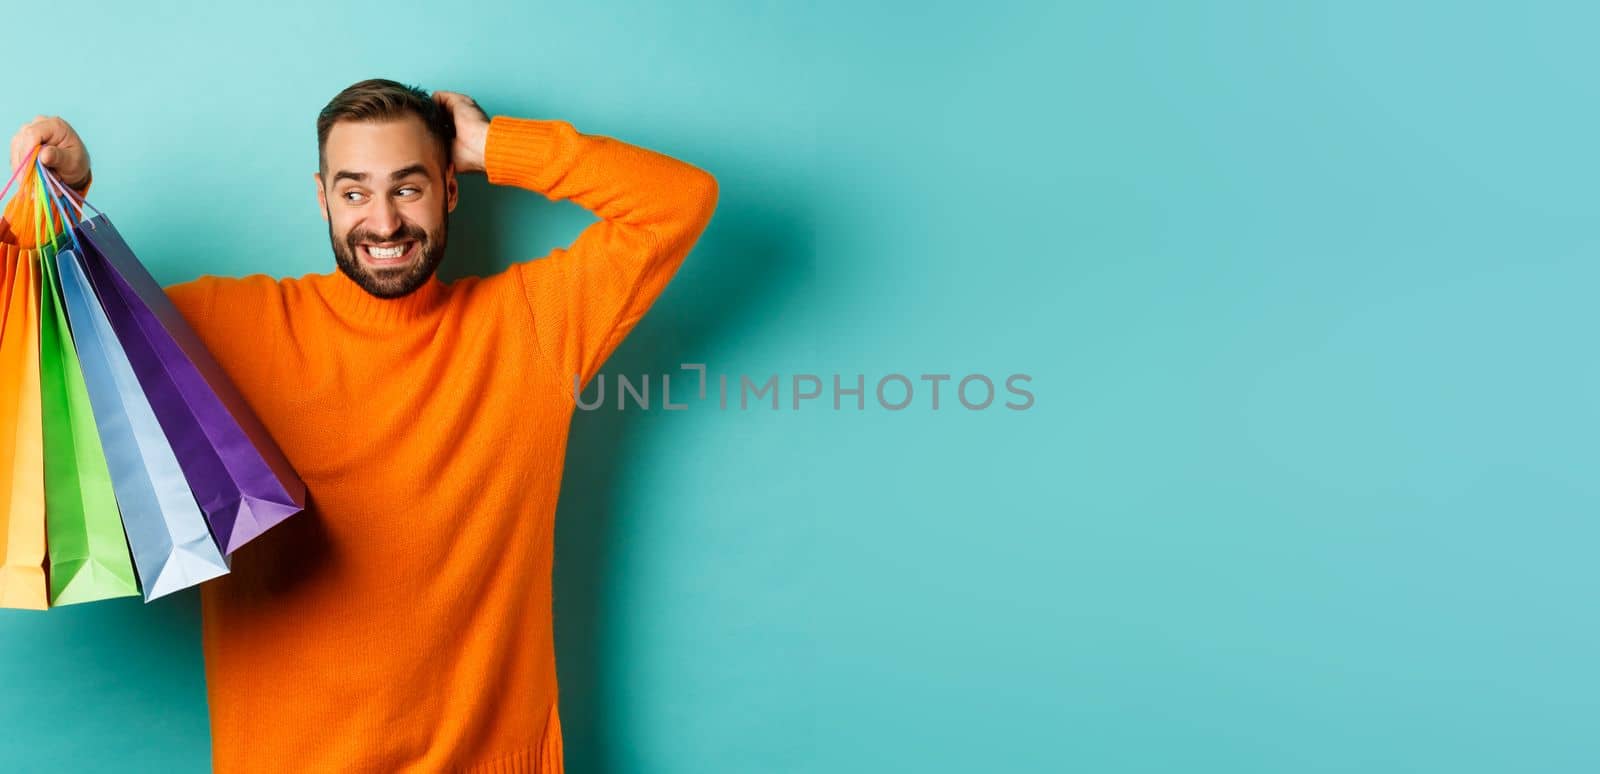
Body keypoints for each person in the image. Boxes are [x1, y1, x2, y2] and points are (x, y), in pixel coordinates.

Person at [8, 78, 719, 773]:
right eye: (354, 192)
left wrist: (490, 142)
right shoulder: (223, 330)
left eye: (408, 187)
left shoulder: (533, 326)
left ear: (450, 190)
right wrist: (59, 210)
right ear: (322, 198)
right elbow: (44, 342)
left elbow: (678, 202)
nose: (383, 222)